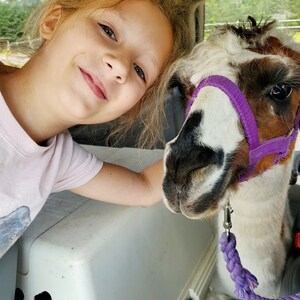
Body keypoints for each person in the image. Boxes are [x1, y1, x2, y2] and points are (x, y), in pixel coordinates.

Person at [0, 0, 200, 259]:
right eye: (108, 30)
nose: (119, 67)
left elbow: (144, 188)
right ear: (52, 22)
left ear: (132, 107)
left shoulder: (59, 161)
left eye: (140, 71)